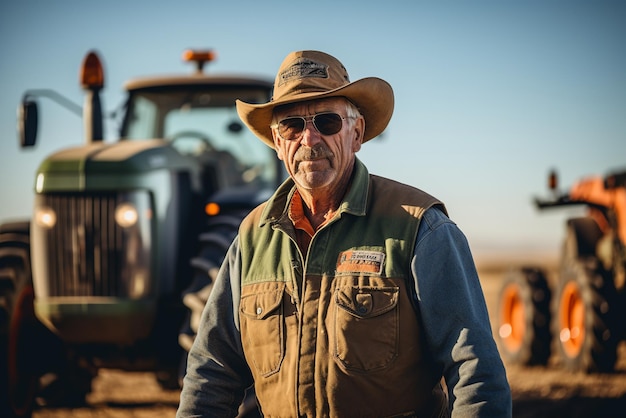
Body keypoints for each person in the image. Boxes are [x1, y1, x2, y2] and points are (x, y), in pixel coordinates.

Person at [177, 50, 511, 417]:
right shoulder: (252, 238)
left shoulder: (420, 228)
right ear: (276, 141)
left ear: (357, 133)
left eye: (327, 122)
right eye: (292, 125)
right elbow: (211, 371)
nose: (309, 139)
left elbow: (475, 373)